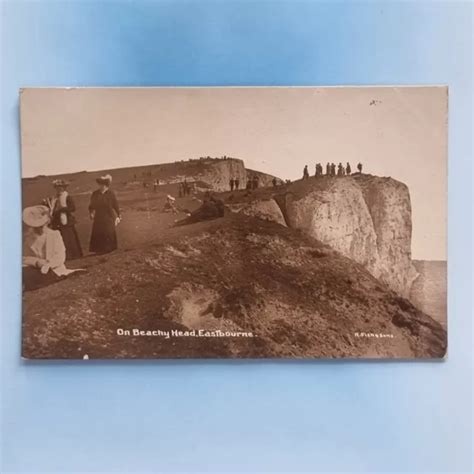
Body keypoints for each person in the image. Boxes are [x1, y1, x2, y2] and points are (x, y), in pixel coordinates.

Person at [22, 205, 84, 291]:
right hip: (35, 268)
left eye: (42, 226)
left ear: (47, 223)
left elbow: (61, 256)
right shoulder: (28, 238)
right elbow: (25, 258)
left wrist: (48, 265)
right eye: (36, 227)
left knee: (37, 277)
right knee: (25, 273)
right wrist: (37, 262)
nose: (40, 229)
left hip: (53, 269)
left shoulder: (54, 235)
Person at [43, 179, 83, 260]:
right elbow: (51, 208)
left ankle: (72, 255)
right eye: (57, 187)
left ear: (64, 188)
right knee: (58, 238)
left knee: (68, 238)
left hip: (66, 220)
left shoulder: (67, 197)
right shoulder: (54, 198)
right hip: (57, 221)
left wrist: (62, 210)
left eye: (60, 187)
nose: (58, 189)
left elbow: (72, 208)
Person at [88, 174, 121, 254]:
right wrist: (91, 212)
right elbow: (91, 205)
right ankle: (99, 250)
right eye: (100, 184)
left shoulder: (111, 194)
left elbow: (115, 205)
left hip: (109, 216)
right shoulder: (95, 194)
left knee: (108, 231)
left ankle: (109, 248)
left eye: (103, 184)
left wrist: (119, 215)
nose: (101, 186)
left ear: (106, 185)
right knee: (99, 231)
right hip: (99, 216)